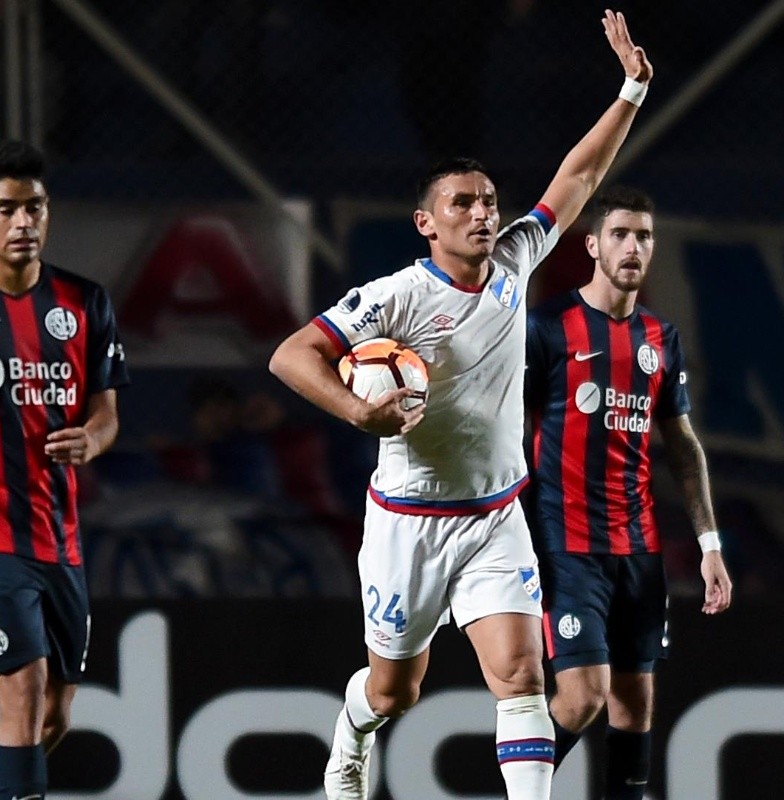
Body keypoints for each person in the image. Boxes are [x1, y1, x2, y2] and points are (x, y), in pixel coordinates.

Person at [269, 11, 651, 800]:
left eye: (487, 201)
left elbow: (574, 182)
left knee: (519, 676)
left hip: (494, 516)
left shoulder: (514, 259)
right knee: (393, 693)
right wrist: (356, 410)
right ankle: (352, 732)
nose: (483, 214)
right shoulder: (396, 298)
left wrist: (631, 91)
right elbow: (291, 354)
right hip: (408, 523)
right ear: (425, 223)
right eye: (462, 204)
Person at [523, 185, 732, 798]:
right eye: (619, 233)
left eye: (643, 235)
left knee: (632, 708)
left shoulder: (659, 338)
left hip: (639, 549)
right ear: (591, 244)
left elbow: (683, 447)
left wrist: (709, 542)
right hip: (567, 547)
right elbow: (508, 434)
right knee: (583, 695)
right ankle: (514, 789)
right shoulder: (547, 329)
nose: (633, 245)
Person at [0, 140, 128, 800]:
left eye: (33, 207)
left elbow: (106, 415)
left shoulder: (84, 302)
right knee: (22, 694)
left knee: (50, 716)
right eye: (5, 208)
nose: (22, 222)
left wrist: (91, 443)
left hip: (60, 541)